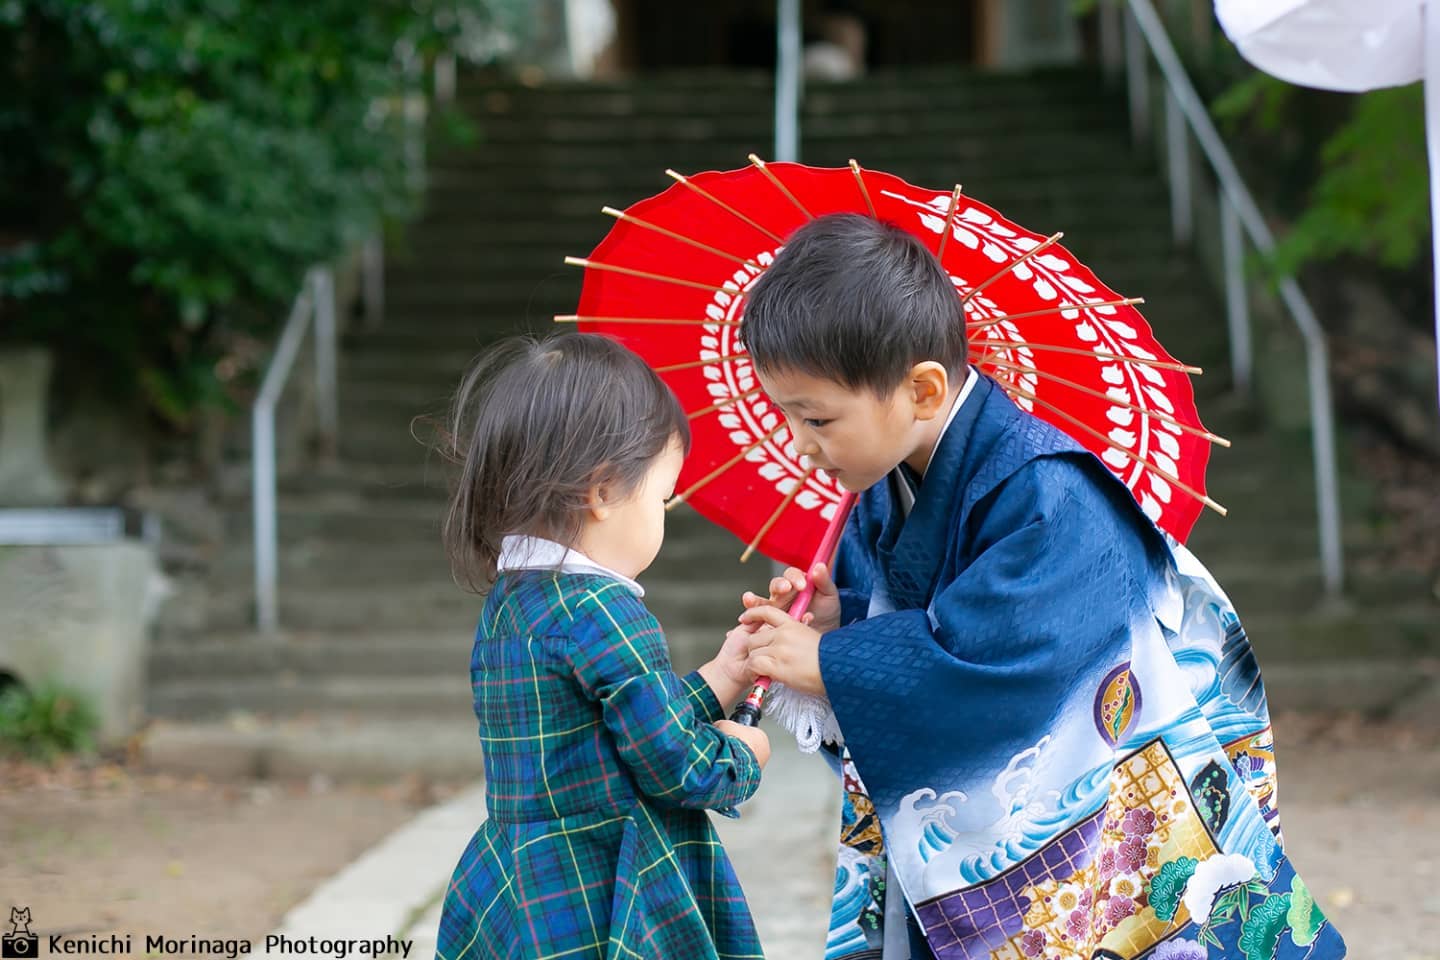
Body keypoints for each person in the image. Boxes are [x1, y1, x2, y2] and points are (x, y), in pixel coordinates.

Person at [735, 214, 1345, 959]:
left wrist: (833, 662)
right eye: (789, 417)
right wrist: (842, 622)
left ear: (923, 390)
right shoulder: (881, 496)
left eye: (818, 418)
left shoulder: (1050, 494)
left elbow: (1005, 664)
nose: (801, 443)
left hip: (1113, 810)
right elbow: (917, 639)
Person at [433, 332, 769, 960]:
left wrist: (721, 676)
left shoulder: (511, 603)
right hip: (605, 885)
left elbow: (614, 729)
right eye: (663, 497)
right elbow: (675, 768)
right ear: (604, 491)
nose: (664, 514)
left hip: (525, 882)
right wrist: (741, 755)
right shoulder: (606, 611)